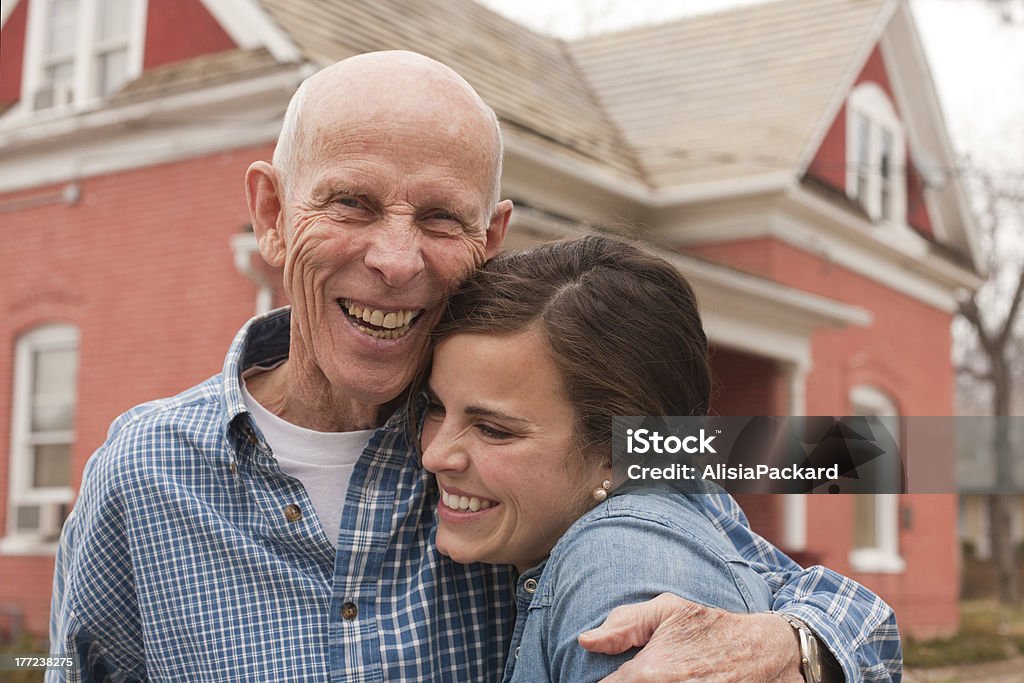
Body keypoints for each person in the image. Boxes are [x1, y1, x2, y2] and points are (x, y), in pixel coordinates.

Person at [48, 51, 901, 682]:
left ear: (491, 243)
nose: (394, 257)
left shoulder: (557, 434)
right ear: (272, 214)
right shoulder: (141, 474)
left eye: (440, 219)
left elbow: (849, 548)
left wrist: (797, 643)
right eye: (352, 202)